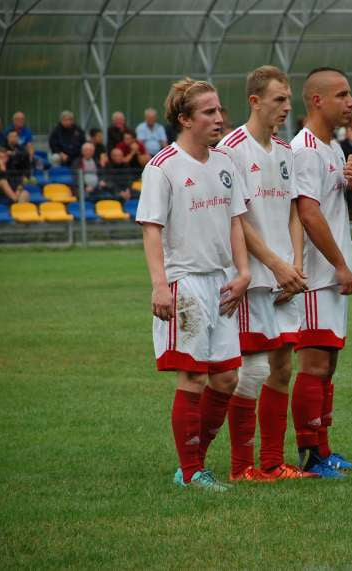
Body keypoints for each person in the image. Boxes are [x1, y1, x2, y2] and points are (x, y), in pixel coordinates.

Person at [135, 77, 251, 492]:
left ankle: (194, 464)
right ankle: (190, 472)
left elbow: (236, 221)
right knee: (194, 378)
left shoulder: (225, 163)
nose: (219, 118)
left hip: (222, 282)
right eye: (208, 112)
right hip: (184, 284)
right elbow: (151, 230)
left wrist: (244, 272)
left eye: (219, 110)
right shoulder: (162, 167)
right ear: (184, 119)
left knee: (226, 379)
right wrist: (159, 285)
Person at [216, 65, 315, 482]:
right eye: (279, 100)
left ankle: (273, 462)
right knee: (252, 370)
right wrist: (274, 265)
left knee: (282, 368)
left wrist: (294, 263)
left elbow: (294, 211)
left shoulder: (285, 151)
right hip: (253, 278)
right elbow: (236, 220)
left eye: (289, 100)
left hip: (284, 277)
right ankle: (242, 468)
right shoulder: (230, 149)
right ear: (255, 101)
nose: (286, 108)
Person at [291, 67, 352, 478]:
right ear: (317, 100)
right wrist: (339, 265)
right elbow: (307, 213)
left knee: (329, 365)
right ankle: (310, 456)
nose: (350, 102)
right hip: (317, 277)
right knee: (314, 365)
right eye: (342, 94)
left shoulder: (334, 150)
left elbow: (347, 213)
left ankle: (323, 449)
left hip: (333, 274)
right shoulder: (304, 150)